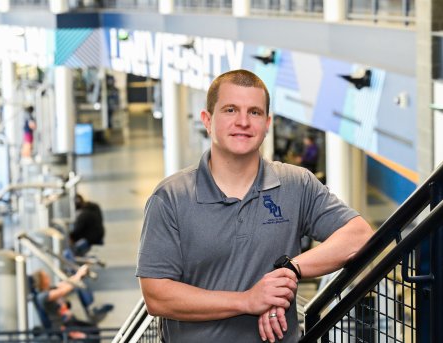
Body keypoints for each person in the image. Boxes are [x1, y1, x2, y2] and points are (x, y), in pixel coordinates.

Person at [136, 69, 374, 342]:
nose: (243, 122)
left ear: (267, 123)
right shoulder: (171, 197)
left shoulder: (296, 184)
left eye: (254, 112)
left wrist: (289, 271)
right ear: (207, 120)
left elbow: (359, 235)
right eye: (230, 110)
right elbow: (156, 296)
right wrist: (247, 301)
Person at [30, 265, 96, 340]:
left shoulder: (50, 289)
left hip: (66, 322)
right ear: (41, 281)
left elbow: (67, 282)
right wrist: (79, 274)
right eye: (45, 277)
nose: (48, 277)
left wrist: (79, 274)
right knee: (90, 338)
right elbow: (62, 291)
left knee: (93, 329)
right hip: (60, 328)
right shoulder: (42, 296)